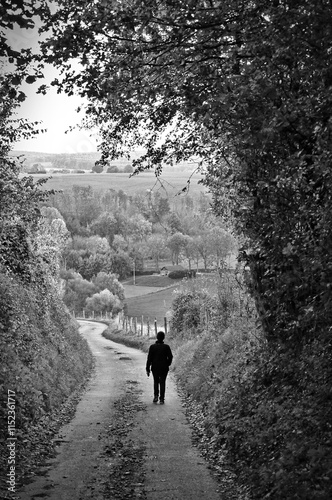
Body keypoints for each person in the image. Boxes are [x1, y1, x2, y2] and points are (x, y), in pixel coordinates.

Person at [146, 331, 173, 404]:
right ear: (163, 338)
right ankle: (161, 399)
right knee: (162, 382)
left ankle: (155, 396)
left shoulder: (152, 347)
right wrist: (168, 364)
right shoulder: (166, 347)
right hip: (164, 367)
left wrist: (147, 368)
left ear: (157, 337)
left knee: (156, 381)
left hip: (155, 367)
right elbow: (170, 357)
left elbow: (149, 358)